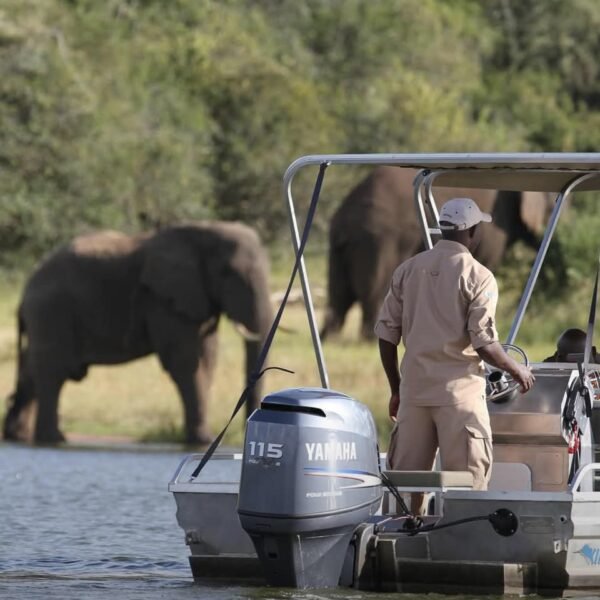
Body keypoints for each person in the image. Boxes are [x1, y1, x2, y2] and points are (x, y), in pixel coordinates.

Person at [374, 197, 535, 514]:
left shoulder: (408, 270)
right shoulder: (479, 276)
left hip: (415, 395)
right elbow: (484, 344)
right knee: (467, 491)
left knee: (405, 492)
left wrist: (397, 388)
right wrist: (517, 369)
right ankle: (456, 541)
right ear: (473, 231)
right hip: (460, 399)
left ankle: (407, 538)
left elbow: (386, 336)